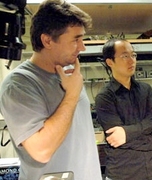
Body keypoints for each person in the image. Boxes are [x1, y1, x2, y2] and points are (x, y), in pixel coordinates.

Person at [0, 0, 102, 179]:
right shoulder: (18, 85)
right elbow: (41, 150)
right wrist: (71, 95)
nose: (82, 47)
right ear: (47, 40)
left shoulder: (71, 75)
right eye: (75, 39)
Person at [95, 38, 152, 180]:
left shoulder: (145, 89)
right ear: (110, 62)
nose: (131, 60)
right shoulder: (104, 97)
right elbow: (116, 139)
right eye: (125, 56)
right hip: (122, 173)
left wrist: (127, 132)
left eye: (133, 55)